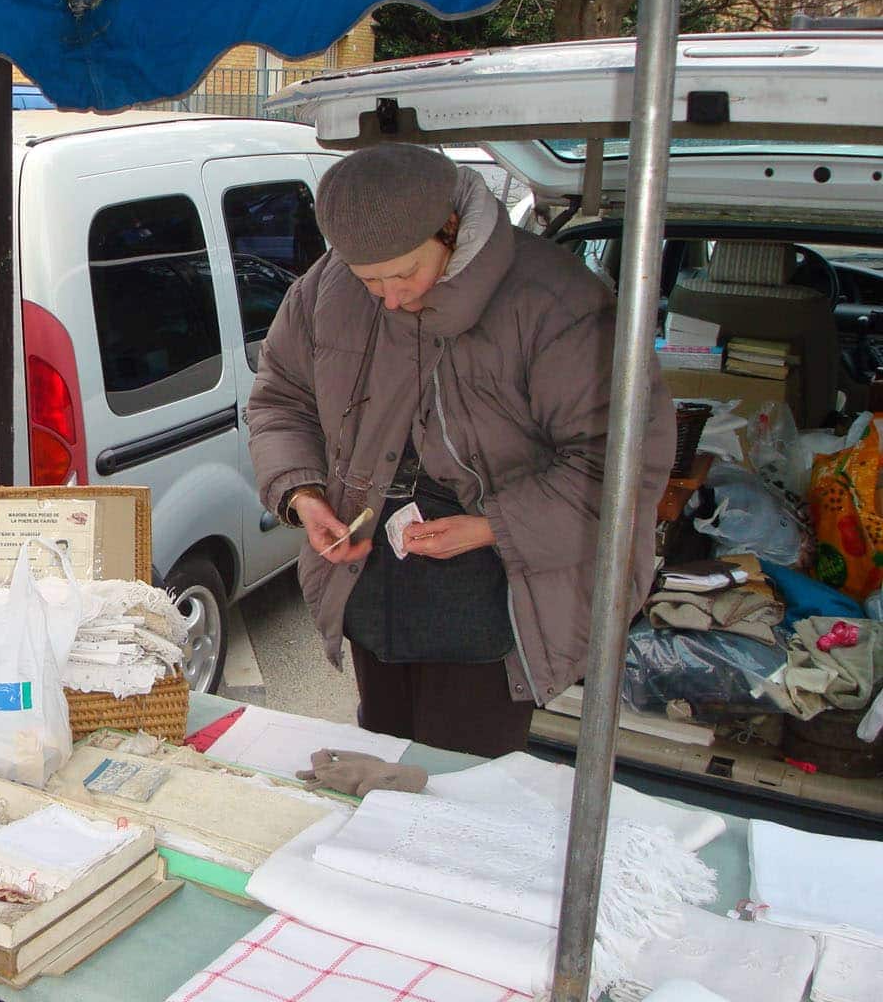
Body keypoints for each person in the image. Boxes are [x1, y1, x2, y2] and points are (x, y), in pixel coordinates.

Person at [246, 144, 674, 757]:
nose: (389, 299)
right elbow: (281, 400)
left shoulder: (559, 304)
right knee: (385, 768)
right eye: (370, 280)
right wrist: (302, 494)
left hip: (494, 597)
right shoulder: (327, 289)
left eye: (404, 274)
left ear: (451, 229)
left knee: (466, 794)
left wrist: (489, 527)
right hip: (369, 588)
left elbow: (621, 466)